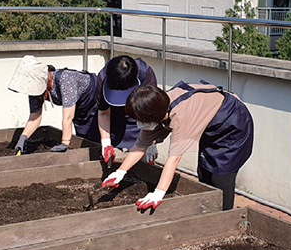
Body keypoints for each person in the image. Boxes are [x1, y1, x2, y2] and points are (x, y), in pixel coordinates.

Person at [102, 82, 254, 211]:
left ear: (153, 116)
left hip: (232, 124)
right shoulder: (157, 106)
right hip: (210, 125)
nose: (139, 124)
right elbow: (140, 145)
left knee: (221, 175)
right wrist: (120, 173)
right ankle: (208, 212)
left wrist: (158, 193)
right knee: (205, 171)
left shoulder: (180, 116)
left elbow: (173, 160)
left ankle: (225, 218)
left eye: (141, 119)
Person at [8, 55, 100, 153]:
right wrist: (23, 138)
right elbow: (34, 117)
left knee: (96, 135)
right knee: (84, 138)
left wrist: (65, 143)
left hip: (94, 100)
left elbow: (68, 117)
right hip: (79, 107)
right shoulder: (36, 92)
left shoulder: (66, 80)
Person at [95, 55, 159, 165]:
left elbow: (151, 111)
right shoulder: (102, 77)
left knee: (142, 163)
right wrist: (106, 142)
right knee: (113, 162)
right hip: (115, 120)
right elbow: (103, 113)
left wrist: (151, 142)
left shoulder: (145, 74)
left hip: (141, 120)